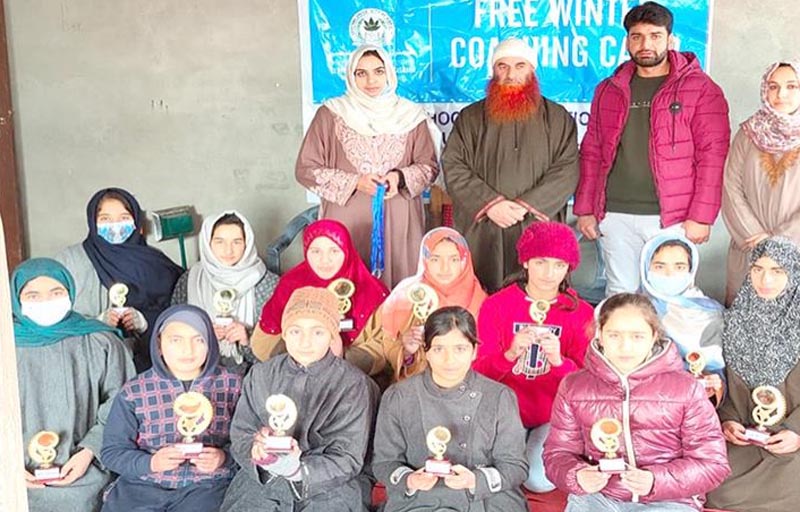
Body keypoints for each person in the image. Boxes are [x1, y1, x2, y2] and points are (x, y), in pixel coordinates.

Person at [574, 1, 730, 296]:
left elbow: (712, 156)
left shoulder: (701, 88)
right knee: (620, 294)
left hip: (672, 217)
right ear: (627, 42)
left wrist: (701, 216)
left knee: (668, 297)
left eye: (655, 36)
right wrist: (585, 209)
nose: (646, 45)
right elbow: (592, 151)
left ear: (670, 40)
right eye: (637, 36)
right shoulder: (608, 89)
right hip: (615, 214)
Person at [544, 293, 730, 511]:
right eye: (614, 335)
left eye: (637, 336)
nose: (626, 346)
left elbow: (713, 464)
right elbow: (557, 454)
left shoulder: (686, 388)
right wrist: (576, 476)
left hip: (669, 499)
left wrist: (656, 480)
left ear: (654, 336)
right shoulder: (574, 386)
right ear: (600, 335)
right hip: (599, 498)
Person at [220, 287, 379, 511]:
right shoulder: (261, 375)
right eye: (295, 331)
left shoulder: (354, 384)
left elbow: (348, 456)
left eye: (318, 332)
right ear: (284, 333)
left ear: (332, 335)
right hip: (264, 480)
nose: (305, 342)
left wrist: (296, 470)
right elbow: (242, 432)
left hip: (331, 486)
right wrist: (258, 451)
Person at [296, 44, 439, 288]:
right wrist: (355, 182)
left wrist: (399, 178)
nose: (371, 81)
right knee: (346, 286)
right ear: (350, 76)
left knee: (400, 288)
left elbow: (429, 167)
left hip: (398, 219)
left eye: (378, 71)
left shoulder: (411, 115)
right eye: (361, 73)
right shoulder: (331, 114)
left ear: (389, 73)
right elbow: (306, 169)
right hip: (347, 220)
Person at [442, 37, 579, 292]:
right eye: (502, 66)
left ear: (532, 70)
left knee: (538, 292)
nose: (511, 74)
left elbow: (567, 169)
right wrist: (491, 204)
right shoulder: (470, 117)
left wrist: (527, 205)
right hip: (485, 226)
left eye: (519, 66)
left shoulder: (558, 118)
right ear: (493, 71)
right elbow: (453, 164)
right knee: (482, 294)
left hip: (536, 222)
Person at [474, 221, 593, 493]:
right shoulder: (496, 305)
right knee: (491, 471)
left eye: (559, 265)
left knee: (538, 481)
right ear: (526, 262)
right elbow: (478, 373)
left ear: (569, 268)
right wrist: (509, 355)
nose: (549, 274)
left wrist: (559, 363)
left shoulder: (581, 313)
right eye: (541, 262)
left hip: (552, 414)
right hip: (504, 412)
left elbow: (587, 384)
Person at [373, 306, 528, 511]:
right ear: (426, 351)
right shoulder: (399, 396)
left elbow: (515, 467)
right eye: (438, 349)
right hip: (421, 499)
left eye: (460, 349)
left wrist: (475, 480)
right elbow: (384, 462)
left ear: (474, 351)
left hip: (486, 500)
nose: (449, 360)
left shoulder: (499, 397)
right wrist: (410, 480)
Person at [13, 258, 135, 512]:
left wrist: (89, 451)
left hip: (86, 471)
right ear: (16, 298)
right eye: (33, 295)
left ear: (70, 292)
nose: (46, 301)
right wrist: (7, 465)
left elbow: (123, 403)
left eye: (56, 292)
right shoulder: (5, 344)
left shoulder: (101, 341)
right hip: (14, 474)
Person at [101, 304, 241, 511]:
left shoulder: (233, 384)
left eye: (199, 340)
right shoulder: (135, 391)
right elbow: (112, 452)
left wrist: (224, 458)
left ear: (211, 343)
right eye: (176, 340)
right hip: (142, 484)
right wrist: (151, 463)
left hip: (208, 485)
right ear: (158, 344)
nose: (188, 350)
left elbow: (248, 441)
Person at [707, 237, 800, 512]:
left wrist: (796, 431)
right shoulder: (736, 320)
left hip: (793, 442)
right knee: (718, 489)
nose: (765, 280)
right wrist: (729, 421)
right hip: (750, 439)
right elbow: (727, 388)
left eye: (777, 271)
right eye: (757, 269)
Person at [55, 187, 183, 370]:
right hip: (90, 365)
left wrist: (144, 321)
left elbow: (179, 311)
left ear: (137, 223)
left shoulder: (155, 262)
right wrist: (96, 323)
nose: (115, 225)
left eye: (124, 218)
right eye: (105, 219)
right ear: (92, 222)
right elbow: (55, 319)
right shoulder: (70, 261)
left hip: (150, 366)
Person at [346, 227, 486, 382]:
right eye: (435, 259)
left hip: (466, 384)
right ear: (424, 260)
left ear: (464, 261)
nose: (445, 268)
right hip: (414, 383)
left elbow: (486, 354)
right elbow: (383, 345)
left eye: (454, 259)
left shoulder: (480, 300)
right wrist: (406, 351)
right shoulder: (405, 295)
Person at [251, 219, 388, 361]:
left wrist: (344, 359)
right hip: (295, 368)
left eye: (334, 251)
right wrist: (301, 358)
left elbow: (384, 345)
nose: (324, 260)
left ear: (346, 250)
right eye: (316, 251)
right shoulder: (290, 285)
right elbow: (263, 343)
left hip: (353, 370)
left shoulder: (371, 290)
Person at [722, 60, 800, 305]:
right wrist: (757, 237)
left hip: (795, 247)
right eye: (773, 86)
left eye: (792, 86)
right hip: (750, 244)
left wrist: (780, 240)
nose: (781, 94)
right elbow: (731, 187)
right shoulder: (749, 133)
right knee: (746, 317)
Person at [171, 210, 279, 372]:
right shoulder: (190, 280)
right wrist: (201, 336)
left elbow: (277, 352)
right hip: (198, 371)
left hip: (252, 373)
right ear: (208, 243)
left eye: (237, 242)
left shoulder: (267, 282)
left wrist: (246, 340)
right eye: (219, 242)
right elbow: (173, 331)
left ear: (247, 243)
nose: (228, 250)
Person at [639, 234, 725, 404]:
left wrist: (712, 385)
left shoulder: (711, 312)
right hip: (644, 399)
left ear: (691, 271)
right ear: (646, 268)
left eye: (679, 267)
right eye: (659, 266)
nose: (669, 274)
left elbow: (717, 372)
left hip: (692, 404)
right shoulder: (632, 309)